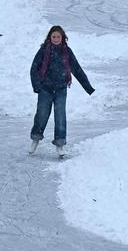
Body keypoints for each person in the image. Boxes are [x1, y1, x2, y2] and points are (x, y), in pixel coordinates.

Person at [28, 25, 95, 157]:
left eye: (58, 37)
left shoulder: (67, 51)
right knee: (41, 115)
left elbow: (77, 69)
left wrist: (88, 87)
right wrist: (37, 86)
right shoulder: (44, 50)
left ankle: (60, 144)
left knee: (60, 117)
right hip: (45, 89)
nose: (56, 39)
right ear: (50, 37)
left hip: (61, 89)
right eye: (53, 36)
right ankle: (35, 139)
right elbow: (34, 68)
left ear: (62, 37)